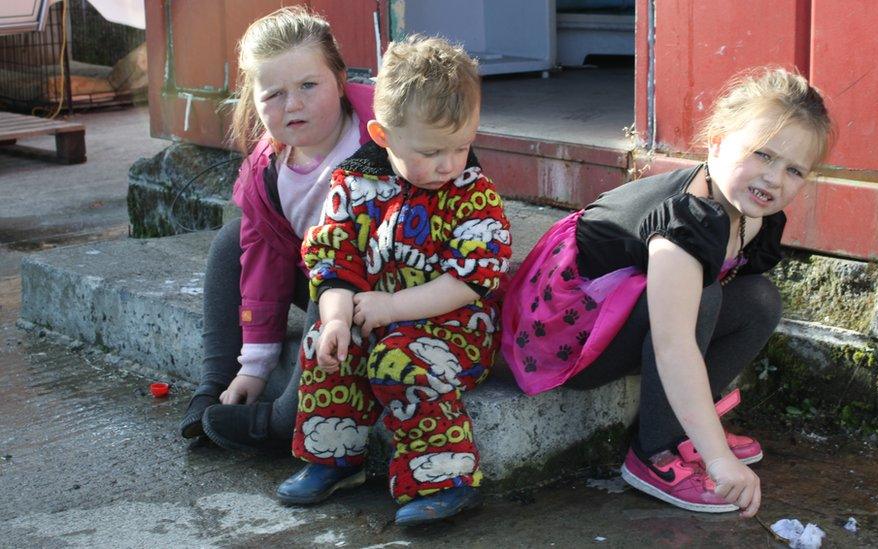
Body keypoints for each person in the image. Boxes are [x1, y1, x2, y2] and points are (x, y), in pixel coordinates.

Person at [501, 67, 833, 518]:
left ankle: (683, 430)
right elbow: (675, 345)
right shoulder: (685, 223)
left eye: (794, 170)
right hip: (567, 333)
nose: (774, 179)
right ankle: (653, 453)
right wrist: (719, 459)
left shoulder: (754, 210)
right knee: (704, 296)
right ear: (715, 141)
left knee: (760, 300)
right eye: (762, 155)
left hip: (622, 314)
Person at [273, 36, 511, 526]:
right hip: (377, 317)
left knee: (400, 359)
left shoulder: (472, 195)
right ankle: (336, 457)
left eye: (462, 145)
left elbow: (470, 279)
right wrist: (337, 315)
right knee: (326, 341)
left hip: (455, 328)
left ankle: (445, 479)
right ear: (383, 136)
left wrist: (391, 307)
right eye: (431, 150)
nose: (449, 163)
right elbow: (335, 260)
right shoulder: (356, 184)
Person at [178, 6, 375, 447]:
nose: (294, 104)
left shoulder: (383, 134)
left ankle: (282, 423)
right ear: (254, 99)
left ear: (341, 80)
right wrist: (256, 363)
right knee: (235, 241)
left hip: (380, 288)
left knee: (330, 274)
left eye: (309, 84)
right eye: (274, 94)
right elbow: (264, 266)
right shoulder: (268, 170)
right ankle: (216, 384)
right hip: (320, 278)